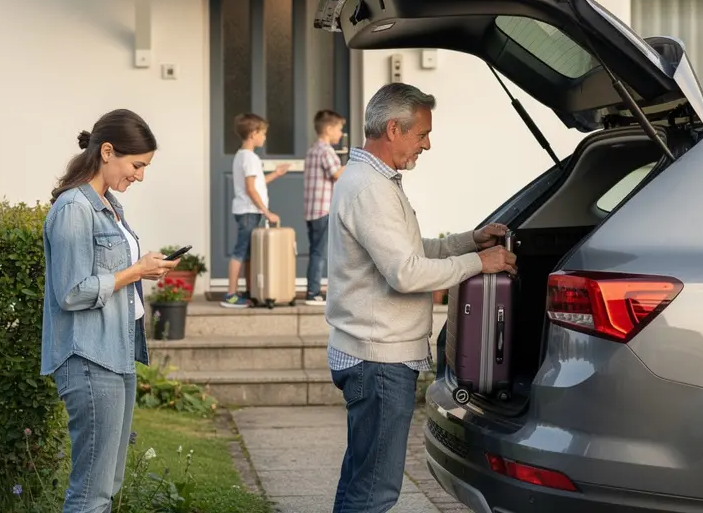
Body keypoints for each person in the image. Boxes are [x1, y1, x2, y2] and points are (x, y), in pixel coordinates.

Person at [326, 83, 517, 513]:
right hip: (379, 361)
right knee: (375, 491)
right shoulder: (369, 189)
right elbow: (407, 273)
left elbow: (411, 251)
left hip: (373, 355)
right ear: (393, 128)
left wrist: (469, 242)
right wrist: (479, 264)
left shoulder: (371, 180)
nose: (427, 144)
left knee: (361, 478)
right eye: (422, 134)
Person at [41, 109, 181, 513]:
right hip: (88, 358)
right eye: (137, 165)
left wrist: (142, 271)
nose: (140, 175)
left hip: (116, 356)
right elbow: (71, 291)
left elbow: (109, 274)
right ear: (107, 151)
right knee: (92, 491)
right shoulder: (74, 208)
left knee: (108, 483)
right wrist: (135, 270)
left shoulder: (110, 206)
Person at [221, 113, 290, 308]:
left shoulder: (242, 156)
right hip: (250, 212)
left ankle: (249, 291)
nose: (265, 137)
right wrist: (266, 211)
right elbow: (251, 189)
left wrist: (275, 174)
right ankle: (231, 294)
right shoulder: (250, 158)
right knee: (240, 252)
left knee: (249, 253)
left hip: (248, 211)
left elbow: (255, 184)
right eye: (263, 133)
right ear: (253, 134)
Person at [302, 109, 347, 305]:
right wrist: (353, 163)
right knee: (321, 252)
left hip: (312, 210)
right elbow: (336, 174)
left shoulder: (312, 149)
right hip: (324, 209)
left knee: (315, 250)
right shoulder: (326, 151)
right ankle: (313, 292)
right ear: (329, 129)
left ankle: (312, 289)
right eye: (339, 129)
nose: (340, 134)